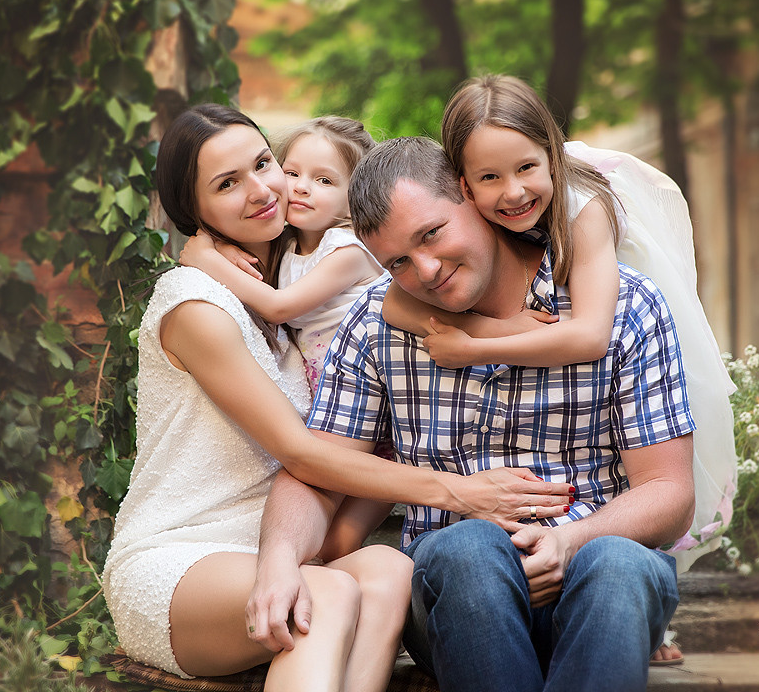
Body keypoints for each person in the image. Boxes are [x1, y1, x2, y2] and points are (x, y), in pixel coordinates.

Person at [101, 106, 573, 692]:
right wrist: (460, 492)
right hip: (181, 560)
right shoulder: (194, 303)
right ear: (193, 211)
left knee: (388, 570)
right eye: (227, 184)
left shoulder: (295, 301)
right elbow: (300, 451)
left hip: (276, 551)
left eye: (263, 164)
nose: (263, 190)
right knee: (323, 592)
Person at [246, 136, 697, 692]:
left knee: (617, 565)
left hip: (601, 589)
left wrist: (569, 542)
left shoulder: (620, 307)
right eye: (399, 263)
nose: (427, 270)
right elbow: (317, 469)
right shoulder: (373, 325)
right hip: (451, 601)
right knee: (470, 546)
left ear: (469, 194)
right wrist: (279, 558)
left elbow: (670, 492)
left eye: (431, 234)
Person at [384, 75, 740, 662]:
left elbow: (590, 335)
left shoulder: (586, 214)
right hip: (462, 577)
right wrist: (488, 325)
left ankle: (634, 608)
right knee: (470, 550)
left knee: (618, 565)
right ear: (462, 187)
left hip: (593, 543)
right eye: (489, 178)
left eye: (526, 168)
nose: (514, 192)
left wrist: (479, 344)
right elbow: (391, 303)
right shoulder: (431, 272)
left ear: (551, 153)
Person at [177, 115, 398, 559]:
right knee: (327, 543)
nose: (299, 187)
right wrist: (222, 247)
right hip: (335, 416)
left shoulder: (349, 249)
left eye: (323, 180)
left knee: (343, 540)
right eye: (292, 172)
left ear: (357, 198)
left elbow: (278, 307)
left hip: (382, 411)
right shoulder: (293, 247)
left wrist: (204, 257)